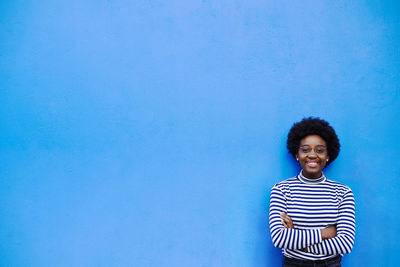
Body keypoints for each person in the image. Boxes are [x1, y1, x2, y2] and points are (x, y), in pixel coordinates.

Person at [269, 117, 355, 267]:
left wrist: (300, 243)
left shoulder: (343, 192)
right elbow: (279, 238)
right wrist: (325, 233)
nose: (312, 155)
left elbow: (346, 243)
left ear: (328, 156)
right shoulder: (281, 189)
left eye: (320, 150)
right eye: (305, 149)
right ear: (297, 155)